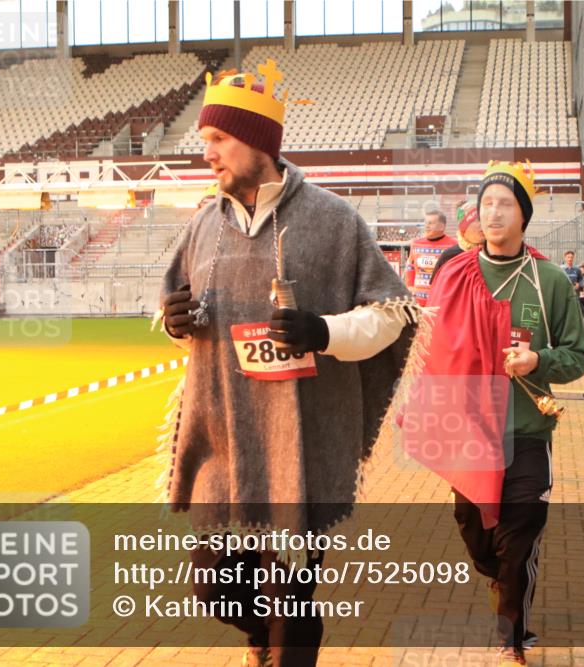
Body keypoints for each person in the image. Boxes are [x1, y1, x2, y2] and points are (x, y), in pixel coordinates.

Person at [158, 63, 418, 667]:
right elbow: (185, 326)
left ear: (257, 141)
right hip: (224, 445)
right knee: (216, 589)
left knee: (289, 601)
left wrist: (323, 331)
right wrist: (176, 324)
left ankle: (282, 648)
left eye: (218, 140)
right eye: (205, 141)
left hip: (300, 445)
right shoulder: (202, 225)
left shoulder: (335, 222)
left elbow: (393, 315)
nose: (208, 155)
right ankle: (263, 642)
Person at [402, 161, 584, 666]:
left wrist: (538, 360)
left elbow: (579, 356)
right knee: (474, 529)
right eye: (486, 203)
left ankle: (512, 638)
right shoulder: (454, 274)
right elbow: (433, 344)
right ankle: (498, 576)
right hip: (468, 429)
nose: (494, 212)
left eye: (505, 203)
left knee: (521, 534)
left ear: (524, 215)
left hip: (527, 429)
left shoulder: (550, 280)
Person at [404, 208, 457, 305]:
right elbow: (410, 266)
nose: (427, 226)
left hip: (441, 302)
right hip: (418, 302)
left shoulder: (454, 246)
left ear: (441, 226)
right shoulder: (416, 244)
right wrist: (410, 286)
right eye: (426, 223)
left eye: (431, 223)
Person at [431, 201, 484, 281]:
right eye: (477, 220)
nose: (482, 225)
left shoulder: (495, 253)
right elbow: (437, 288)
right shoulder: (450, 255)